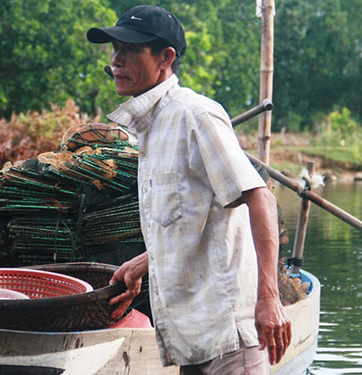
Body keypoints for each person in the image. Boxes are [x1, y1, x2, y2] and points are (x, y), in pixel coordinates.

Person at [86, 5, 292, 374]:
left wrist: (269, 298)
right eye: (114, 49)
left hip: (229, 336)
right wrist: (142, 264)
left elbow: (260, 197)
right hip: (191, 340)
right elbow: (190, 217)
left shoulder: (195, 116)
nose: (116, 60)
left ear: (166, 57)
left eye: (130, 50)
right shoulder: (151, 127)